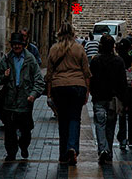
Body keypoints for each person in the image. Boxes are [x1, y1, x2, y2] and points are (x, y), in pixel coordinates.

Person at [45, 21, 91, 166]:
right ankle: (72, 147)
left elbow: (49, 74)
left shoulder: (53, 49)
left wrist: (49, 93)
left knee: (62, 120)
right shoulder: (79, 49)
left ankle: (63, 153)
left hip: (59, 87)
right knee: (74, 119)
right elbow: (86, 72)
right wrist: (87, 91)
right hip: (77, 86)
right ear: (73, 33)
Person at [0, 32, 45, 161]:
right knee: (9, 130)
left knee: (25, 130)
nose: (16, 46)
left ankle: (24, 146)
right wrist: (4, 76)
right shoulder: (6, 59)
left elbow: (39, 81)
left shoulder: (30, 59)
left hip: (25, 101)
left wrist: (33, 95)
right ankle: (11, 153)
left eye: (19, 44)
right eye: (14, 44)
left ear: (23, 45)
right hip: (9, 101)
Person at [90, 34, 128, 164]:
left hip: (99, 97)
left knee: (100, 124)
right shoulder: (119, 61)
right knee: (110, 126)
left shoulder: (95, 61)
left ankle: (102, 149)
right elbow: (123, 82)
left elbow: (91, 79)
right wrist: (123, 99)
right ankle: (109, 151)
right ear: (113, 46)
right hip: (113, 98)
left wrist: (92, 92)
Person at [116, 37, 132, 149]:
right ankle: (131, 138)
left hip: (120, 91)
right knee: (131, 115)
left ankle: (122, 138)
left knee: (121, 115)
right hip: (131, 91)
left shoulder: (117, 60)